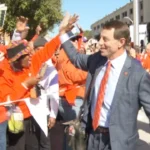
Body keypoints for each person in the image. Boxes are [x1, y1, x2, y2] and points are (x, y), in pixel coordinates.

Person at [59, 15, 150, 150]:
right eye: (100, 37)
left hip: (119, 143)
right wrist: (62, 33)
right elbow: (76, 58)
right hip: (92, 137)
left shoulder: (138, 74)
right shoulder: (97, 61)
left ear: (121, 42)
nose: (99, 42)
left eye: (105, 39)